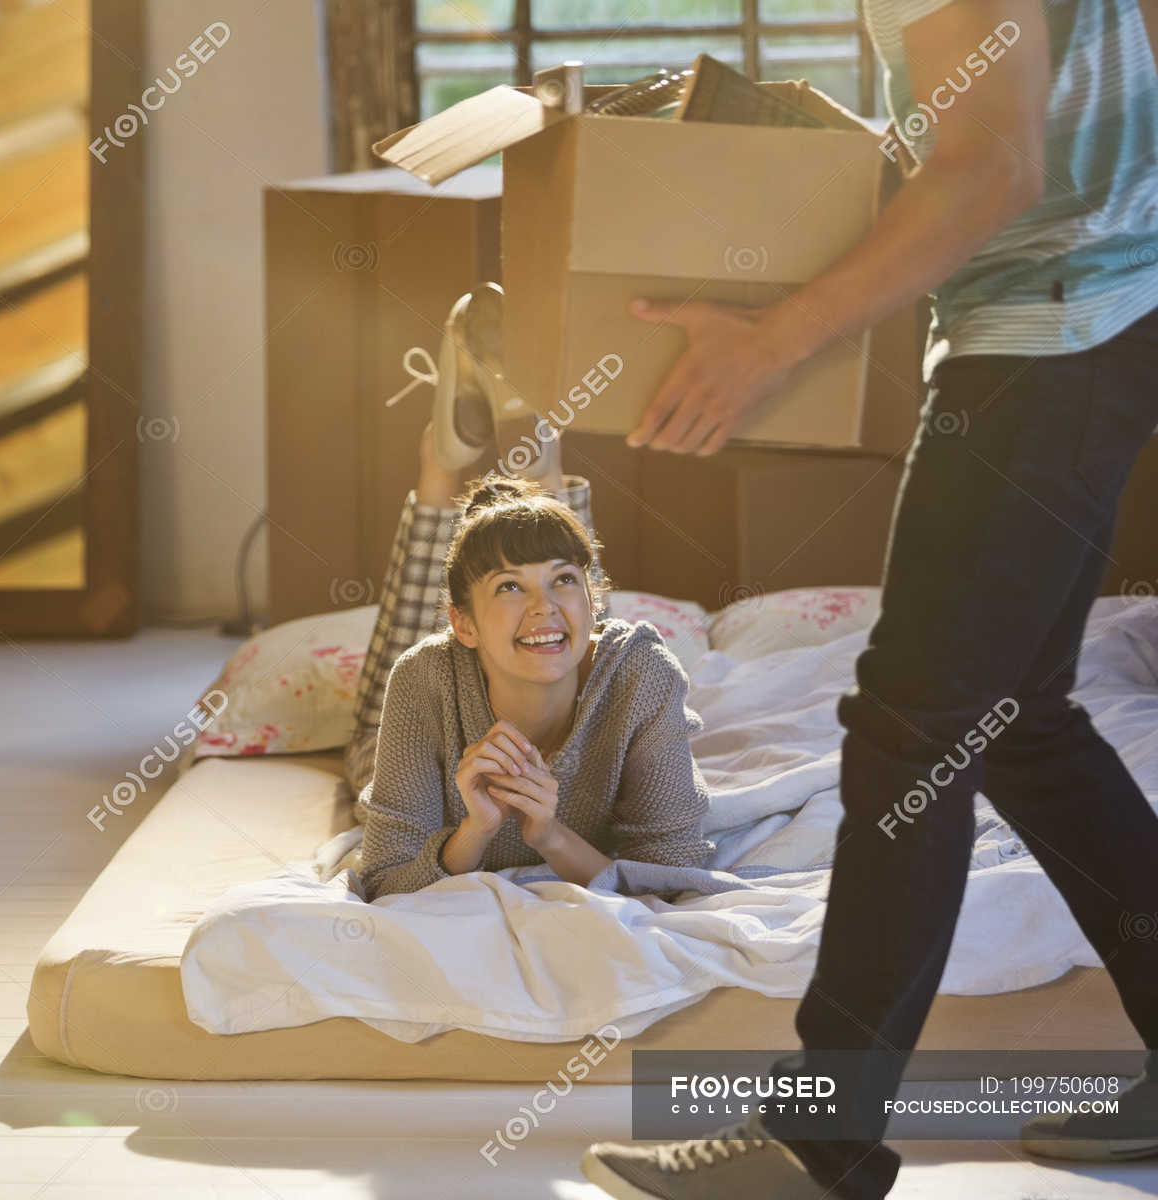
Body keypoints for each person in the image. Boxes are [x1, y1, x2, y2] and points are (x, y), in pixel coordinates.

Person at [581, 0, 1158, 1195]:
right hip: (1094, 312)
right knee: (1017, 724)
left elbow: (996, 163)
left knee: (915, 730)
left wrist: (773, 337)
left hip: (1050, 333)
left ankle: (819, 1139)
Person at [349, 421, 714, 901]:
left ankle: (547, 468)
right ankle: (441, 467)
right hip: (418, 707)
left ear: (593, 598)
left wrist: (549, 834)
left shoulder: (643, 674)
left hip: (594, 658)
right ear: (463, 625)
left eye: (564, 579)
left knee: (570, 597)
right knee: (366, 746)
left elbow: (675, 873)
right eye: (510, 585)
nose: (544, 605)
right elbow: (383, 879)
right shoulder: (423, 678)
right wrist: (475, 830)